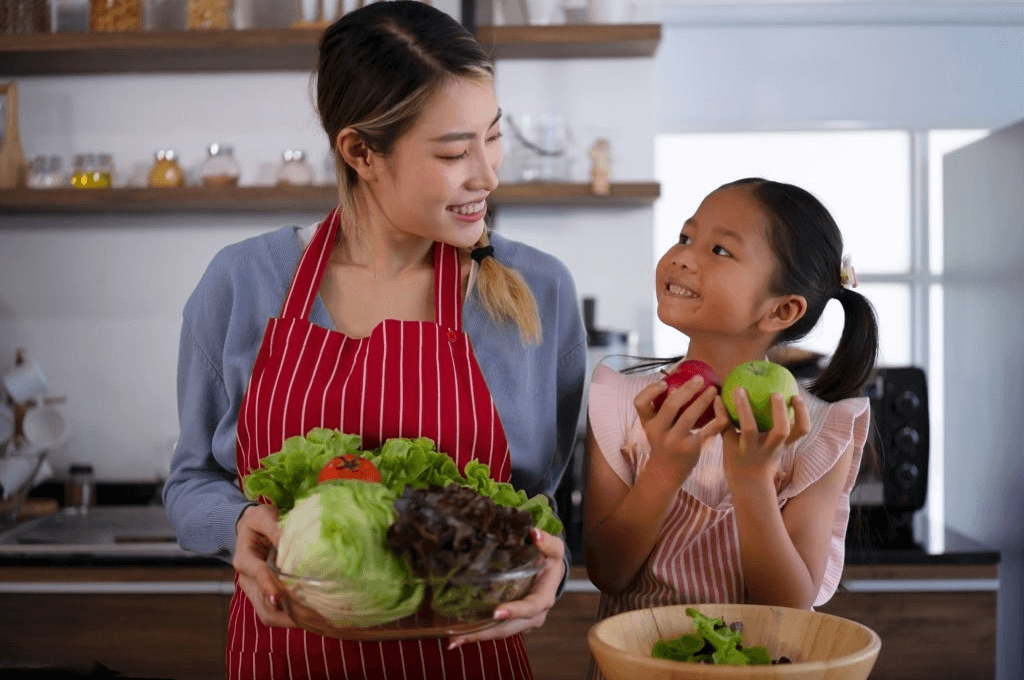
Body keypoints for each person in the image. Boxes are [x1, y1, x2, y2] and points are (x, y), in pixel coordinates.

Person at [162, 2, 587, 678]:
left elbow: (541, 513)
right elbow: (192, 482)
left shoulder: (538, 290)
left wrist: (548, 573)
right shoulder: (243, 281)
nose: (488, 174)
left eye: (494, 137)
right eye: (454, 152)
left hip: (466, 662)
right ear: (361, 151)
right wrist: (235, 523)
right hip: (288, 659)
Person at [584, 178, 878, 676]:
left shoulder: (817, 431)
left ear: (782, 310)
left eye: (719, 250)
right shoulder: (621, 402)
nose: (683, 257)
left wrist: (750, 482)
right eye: (684, 237)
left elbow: (788, 605)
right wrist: (664, 470)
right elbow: (608, 573)